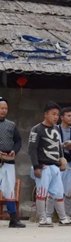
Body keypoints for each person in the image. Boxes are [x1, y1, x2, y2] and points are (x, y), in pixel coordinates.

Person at [29, 101, 71, 227]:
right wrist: (36, 166)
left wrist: (62, 160)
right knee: (41, 193)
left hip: (55, 166)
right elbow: (32, 149)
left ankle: (63, 218)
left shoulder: (56, 129)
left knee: (58, 192)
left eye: (57, 114)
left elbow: (58, 146)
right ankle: (43, 219)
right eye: (53, 114)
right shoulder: (36, 129)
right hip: (43, 166)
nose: (55, 117)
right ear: (46, 114)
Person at [46, 107, 71, 221]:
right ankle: (48, 215)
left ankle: (66, 214)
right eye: (68, 116)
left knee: (68, 191)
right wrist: (61, 146)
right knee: (53, 190)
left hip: (70, 163)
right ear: (62, 117)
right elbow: (48, 145)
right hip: (57, 163)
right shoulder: (54, 129)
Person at [0, 98, 24, 228]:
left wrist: (14, 151)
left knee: (9, 190)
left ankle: (13, 219)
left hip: (9, 161)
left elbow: (18, 141)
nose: (3, 111)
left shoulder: (11, 125)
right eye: (1, 108)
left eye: (5, 108)